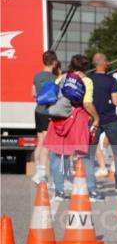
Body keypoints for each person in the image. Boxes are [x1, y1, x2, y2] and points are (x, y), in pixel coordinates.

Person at [44, 54, 99, 201]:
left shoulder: (61, 78)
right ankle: (92, 191)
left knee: (57, 156)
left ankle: (59, 192)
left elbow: (52, 97)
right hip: (77, 119)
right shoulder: (86, 81)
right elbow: (87, 103)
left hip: (58, 120)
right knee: (84, 156)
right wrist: (96, 118)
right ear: (85, 67)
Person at [88, 53, 117, 191]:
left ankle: (89, 183)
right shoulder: (111, 81)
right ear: (104, 64)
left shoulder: (88, 79)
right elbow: (116, 102)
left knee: (90, 151)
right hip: (110, 119)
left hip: (93, 119)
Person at [31, 50, 59, 186]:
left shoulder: (36, 76)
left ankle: (38, 172)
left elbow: (33, 94)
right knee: (48, 144)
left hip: (38, 111)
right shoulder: (54, 78)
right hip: (48, 112)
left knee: (40, 142)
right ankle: (41, 174)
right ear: (54, 62)